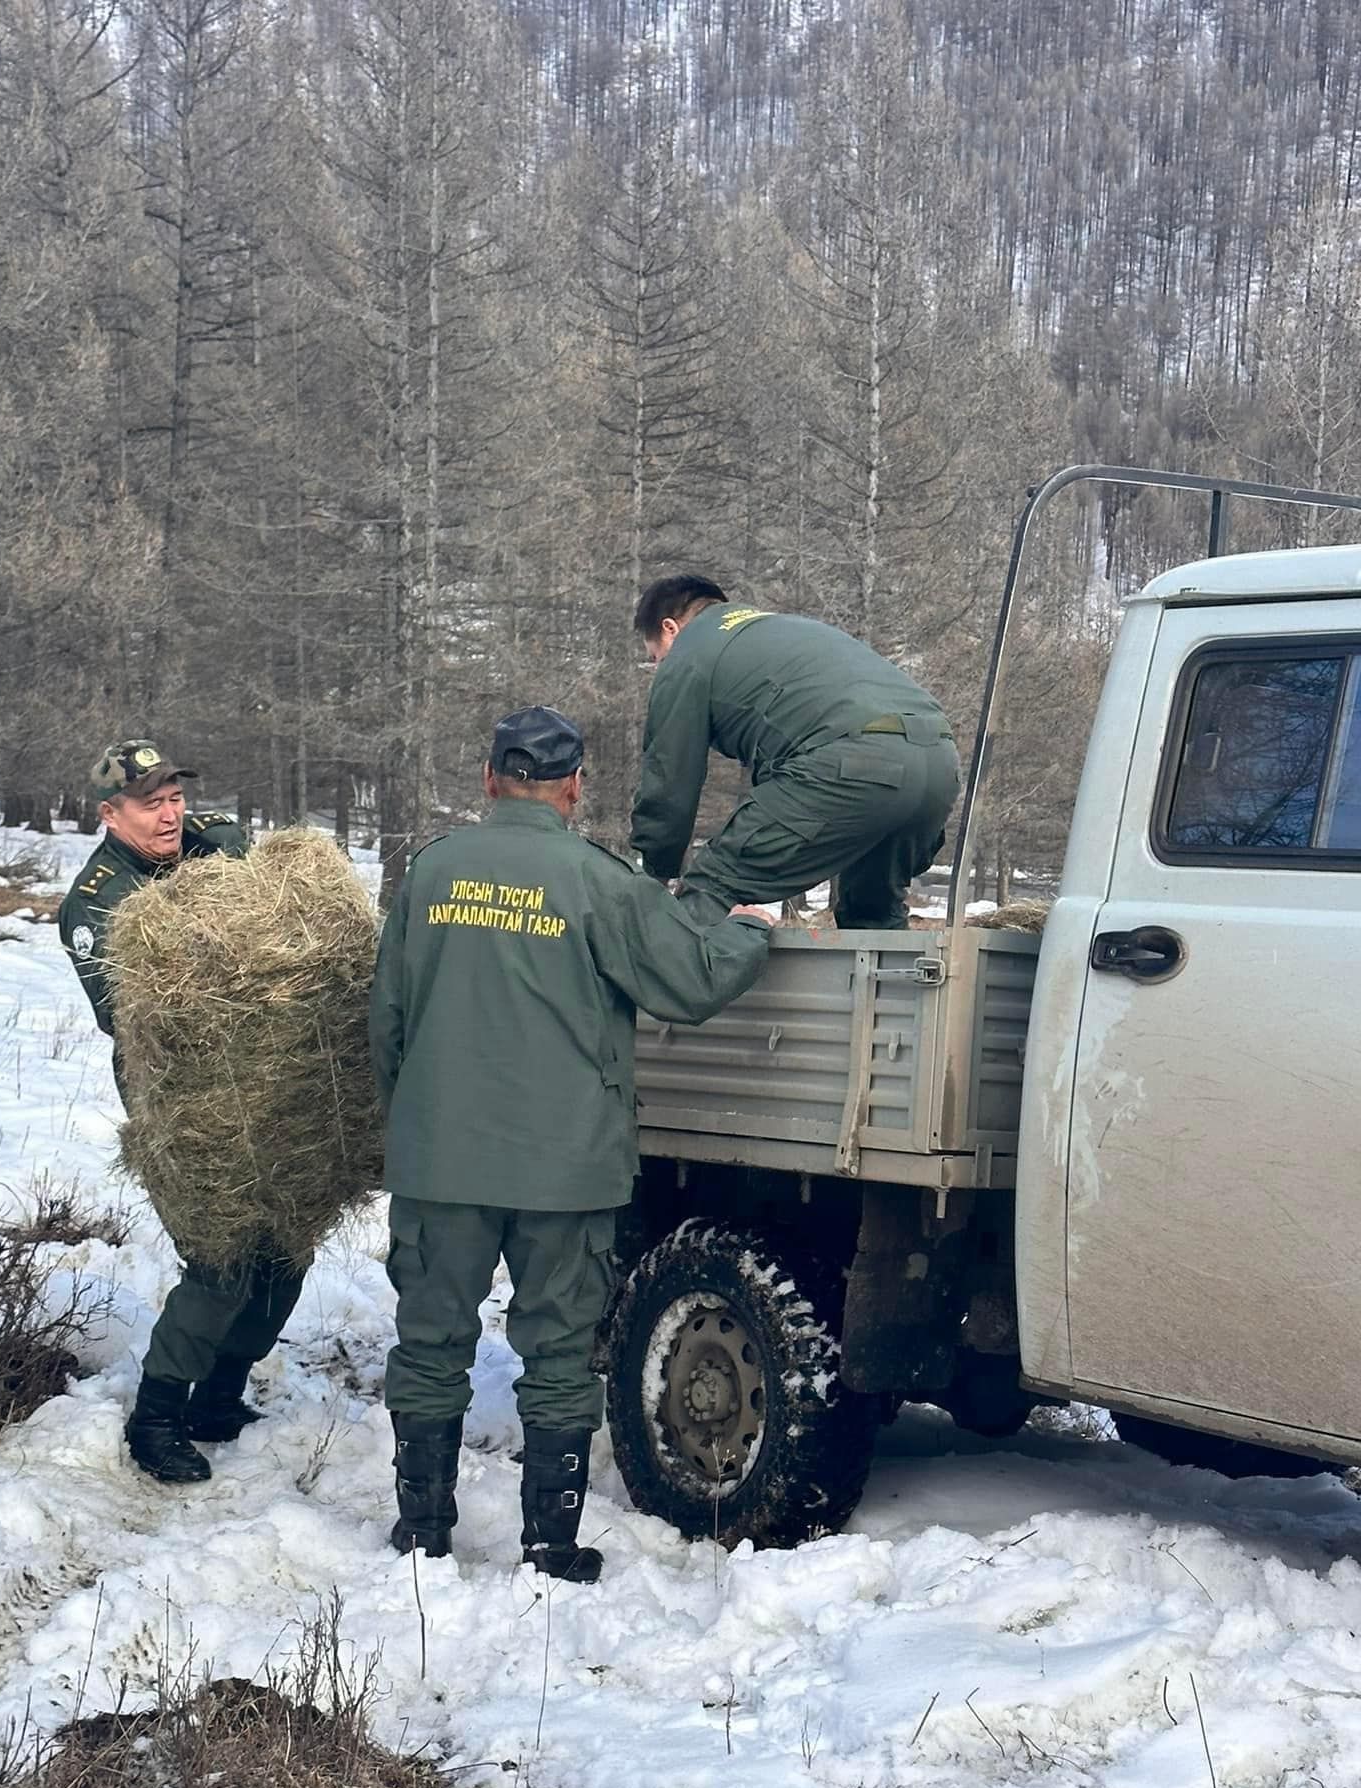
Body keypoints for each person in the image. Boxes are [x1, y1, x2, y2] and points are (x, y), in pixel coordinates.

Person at [369, 707, 772, 1583]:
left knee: (430, 1340)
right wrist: (749, 927)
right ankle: (549, 1547)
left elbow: (389, 1020)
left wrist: (418, 1121)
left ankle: (422, 1534)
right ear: (574, 788)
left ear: (488, 780)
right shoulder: (599, 882)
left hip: (443, 1160)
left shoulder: (431, 871)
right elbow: (689, 982)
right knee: (558, 1351)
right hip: (565, 1166)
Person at [58, 741, 304, 1485]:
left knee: (285, 1252)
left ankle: (219, 1395)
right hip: (179, 1103)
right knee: (222, 1259)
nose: (169, 815)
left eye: (174, 798)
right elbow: (126, 1016)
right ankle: (156, 1417)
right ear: (110, 814)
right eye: (149, 803)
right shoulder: (96, 901)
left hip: (258, 1082)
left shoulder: (213, 840)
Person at [630, 576, 962, 928]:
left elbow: (669, 782)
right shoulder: (784, 630)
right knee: (874, 915)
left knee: (714, 882)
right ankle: (896, 984)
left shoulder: (688, 652)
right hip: (939, 764)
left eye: (655, 657)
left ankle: (653, 978)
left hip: (854, 761)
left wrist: (652, 876)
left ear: (670, 629)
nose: (659, 667)